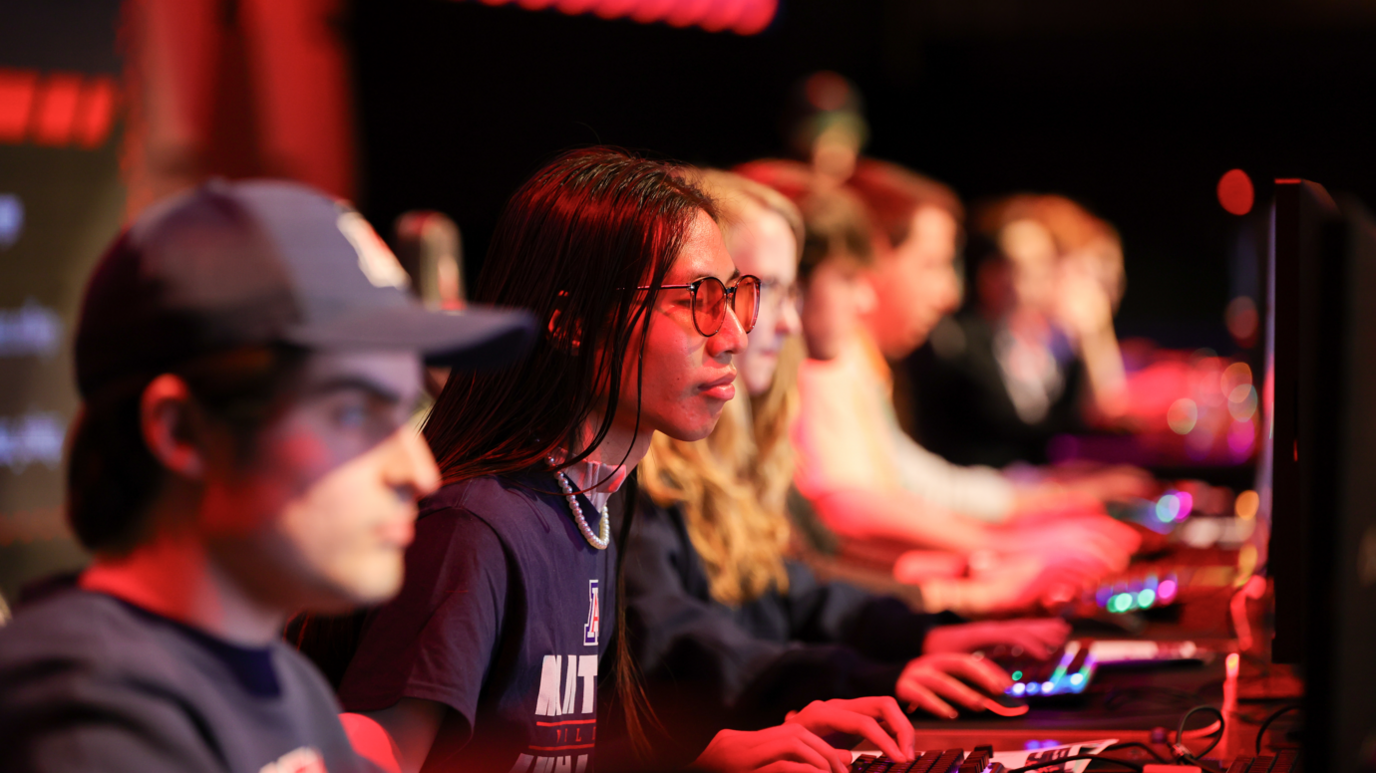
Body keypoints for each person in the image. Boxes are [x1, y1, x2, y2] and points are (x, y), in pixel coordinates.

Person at [298, 149, 920, 773]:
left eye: (735, 295)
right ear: (574, 322)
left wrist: (703, 761)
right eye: (700, 299)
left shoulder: (586, 507)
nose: (734, 333)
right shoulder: (474, 527)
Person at [0, 179, 538, 772]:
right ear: (181, 431)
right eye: (356, 413)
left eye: (405, 413)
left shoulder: (286, 684)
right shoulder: (82, 717)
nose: (420, 472)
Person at [628, 169, 1069, 762]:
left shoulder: (741, 444)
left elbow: (793, 592)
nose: (782, 322)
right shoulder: (635, 465)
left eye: (763, 295)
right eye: (720, 298)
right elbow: (678, 646)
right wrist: (884, 656)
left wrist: (926, 631)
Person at [762, 160, 1145, 612]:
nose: (949, 292)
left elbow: (899, 488)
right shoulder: (824, 359)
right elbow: (847, 508)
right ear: (879, 253)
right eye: (934, 265)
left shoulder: (847, 357)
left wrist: (999, 545)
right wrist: (994, 553)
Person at [911, 194, 1132, 468]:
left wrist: (1092, 335)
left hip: (1020, 485)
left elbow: (1107, 404)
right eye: (1018, 266)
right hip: (988, 485)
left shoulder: (1034, 335)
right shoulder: (959, 341)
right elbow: (1021, 434)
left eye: (1042, 264)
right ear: (987, 272)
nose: (1031, 279)